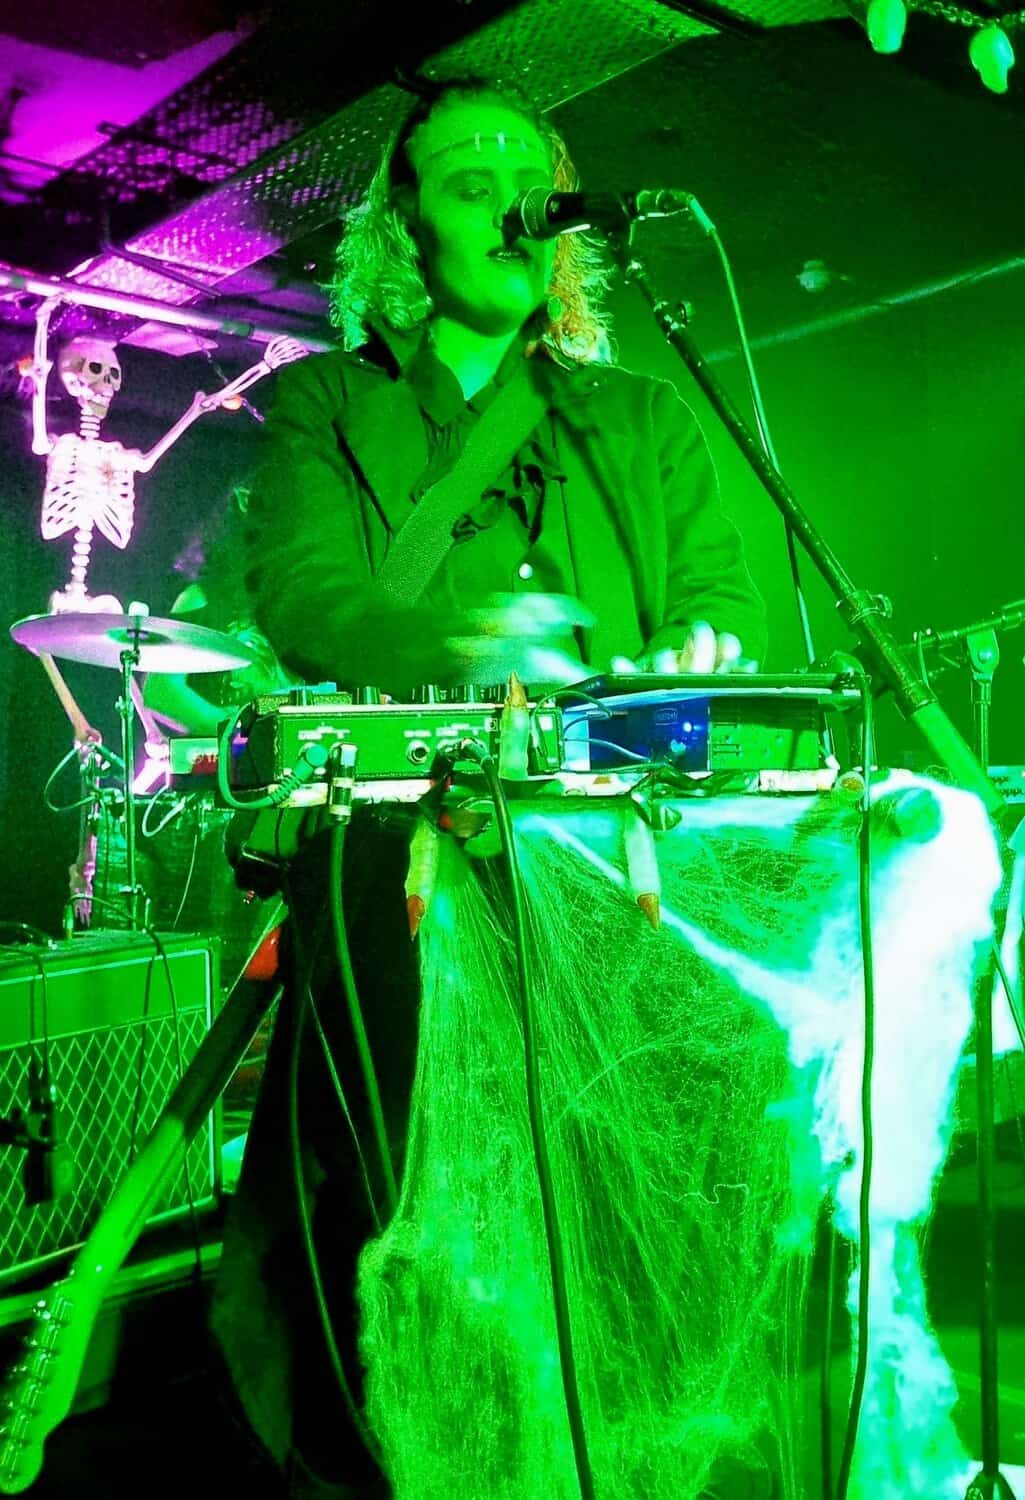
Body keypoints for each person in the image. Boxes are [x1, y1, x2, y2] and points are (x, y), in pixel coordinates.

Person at [210, 76, 768, 1499]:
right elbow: (304, 590)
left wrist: (698, 650)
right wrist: (468, 648)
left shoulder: (641, 417)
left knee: (608, 1181)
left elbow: (717, 596)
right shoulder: (324, 401)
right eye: (469, 180)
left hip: (606, 868)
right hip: (395, 862)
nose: (511, 201)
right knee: (399, 1191)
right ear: (403, 227)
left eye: (532, 179)